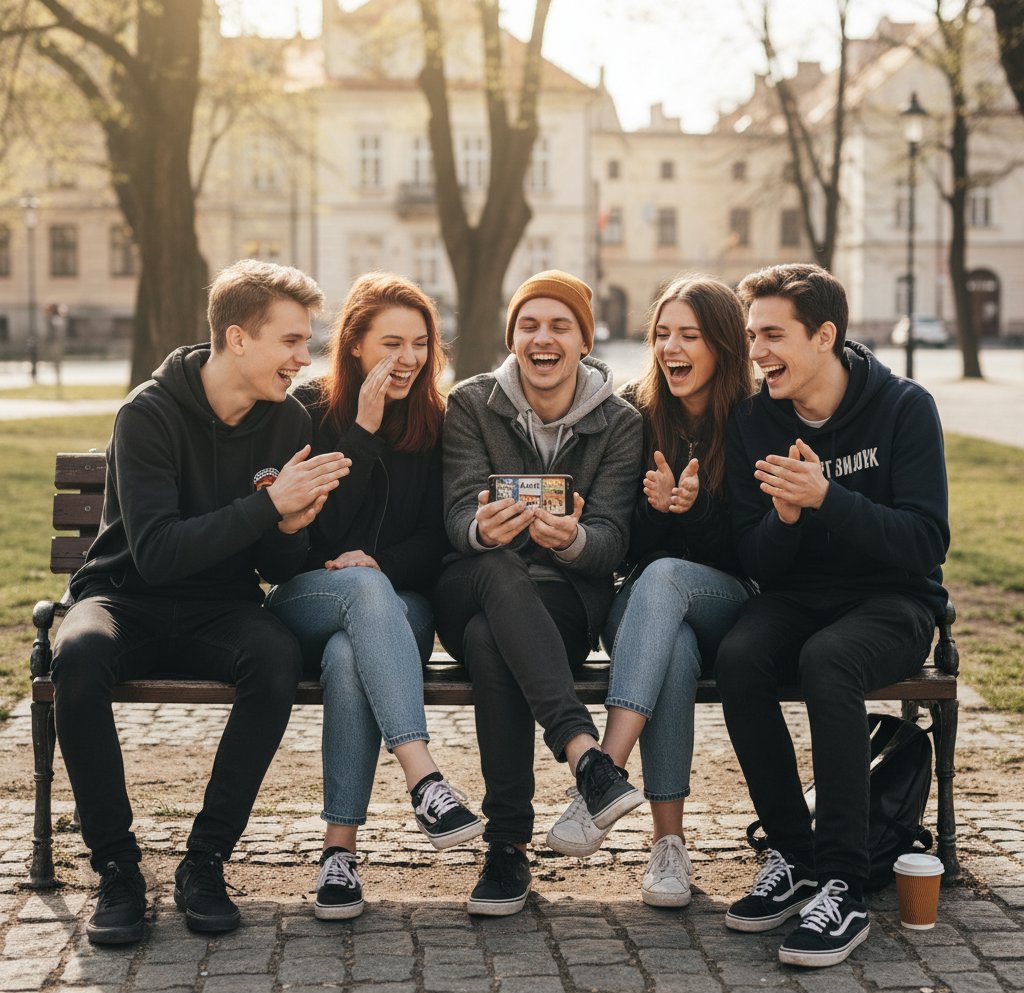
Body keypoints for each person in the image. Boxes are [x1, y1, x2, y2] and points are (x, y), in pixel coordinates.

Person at [50, 260, 351, 944]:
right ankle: (119, 869)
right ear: (238, 339)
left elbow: (273, 565)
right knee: (78, 655)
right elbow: (156, 553)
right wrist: (267, 506)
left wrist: (290, 530)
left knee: (275, 657)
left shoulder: (287, 419)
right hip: (127, 597)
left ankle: (205, 862)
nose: (305, 360)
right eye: (292, 342)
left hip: (222, 606)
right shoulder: (147, 414)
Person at [716, 263, 950, 967]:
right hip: (797, 597)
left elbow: (925, 540)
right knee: (738, 655)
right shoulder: (755, 421)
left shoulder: (904, 407)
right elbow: (757, 559)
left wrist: (827, 499)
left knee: (830, 660)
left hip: (895, 600)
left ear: (825, 336)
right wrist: (785, 518)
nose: (757, 351)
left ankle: (844, 883)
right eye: (753, 335)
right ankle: (792, 854)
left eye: (773, 335)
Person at [266, 272, 482, 921]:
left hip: (400, 608)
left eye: (420, 343)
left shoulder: (437, 423)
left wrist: (378, 563)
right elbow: (305, 544)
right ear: (356, 345)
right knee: (351, 595)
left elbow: (439, 540)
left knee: (345, 657)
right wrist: (359, 433)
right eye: (393, 342)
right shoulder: (304, 411)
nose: (409, 358)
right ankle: (424, 776)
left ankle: (339, 855)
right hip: (306, 597)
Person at [434, 269, 643, 917]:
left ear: (585, 338)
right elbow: (456, 514)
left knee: (490, 643)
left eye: (560, 325)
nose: (542, 338)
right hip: (471, 581)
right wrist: (480, 527)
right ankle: (587, 756)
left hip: (563, 603)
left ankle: (505, 849)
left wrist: (573, 539)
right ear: (512, 335)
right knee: (497, 573)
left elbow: (611, 540)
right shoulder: (472, 403)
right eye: (529, 324)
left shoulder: (620, 423)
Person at [546, 275, 756, 908]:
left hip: (732, 600)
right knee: (675, 648)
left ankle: (601, 775)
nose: (672, 348)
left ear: (722, 345)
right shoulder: (638, 413)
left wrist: (693, 511)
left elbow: (752, 547)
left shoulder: (750, 419)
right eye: (662, 334)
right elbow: (625, 542)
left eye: (689, 335)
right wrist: (657, 513)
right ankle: (669, 847)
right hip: (642, 609)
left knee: (670, 583)